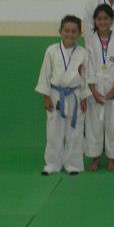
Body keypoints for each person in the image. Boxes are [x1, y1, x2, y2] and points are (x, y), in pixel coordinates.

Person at [35, 15, 89, 175]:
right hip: (55, 94)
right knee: (53, 131)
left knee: (75, 131)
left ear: (79, 34)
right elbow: (45, 74)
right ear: (60, 31)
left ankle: (73, 163)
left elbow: (86, 77)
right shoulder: (51, 51)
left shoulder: (83, 53)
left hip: (75, 94)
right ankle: (52, 164)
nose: (70, 34)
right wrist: (46, 96)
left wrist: (84, 97)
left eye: (74, 31)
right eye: (66, 30)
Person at [84, 4, 114, 171]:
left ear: (112, 20)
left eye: (106, 19)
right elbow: (88, 67)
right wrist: (93, 90)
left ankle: (112, 158)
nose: (103, 22)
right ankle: (94, 157)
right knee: (93, 124)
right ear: (95, 21)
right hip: (95, 86)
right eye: (99, 19)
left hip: (112, 87)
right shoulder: (90, 41)